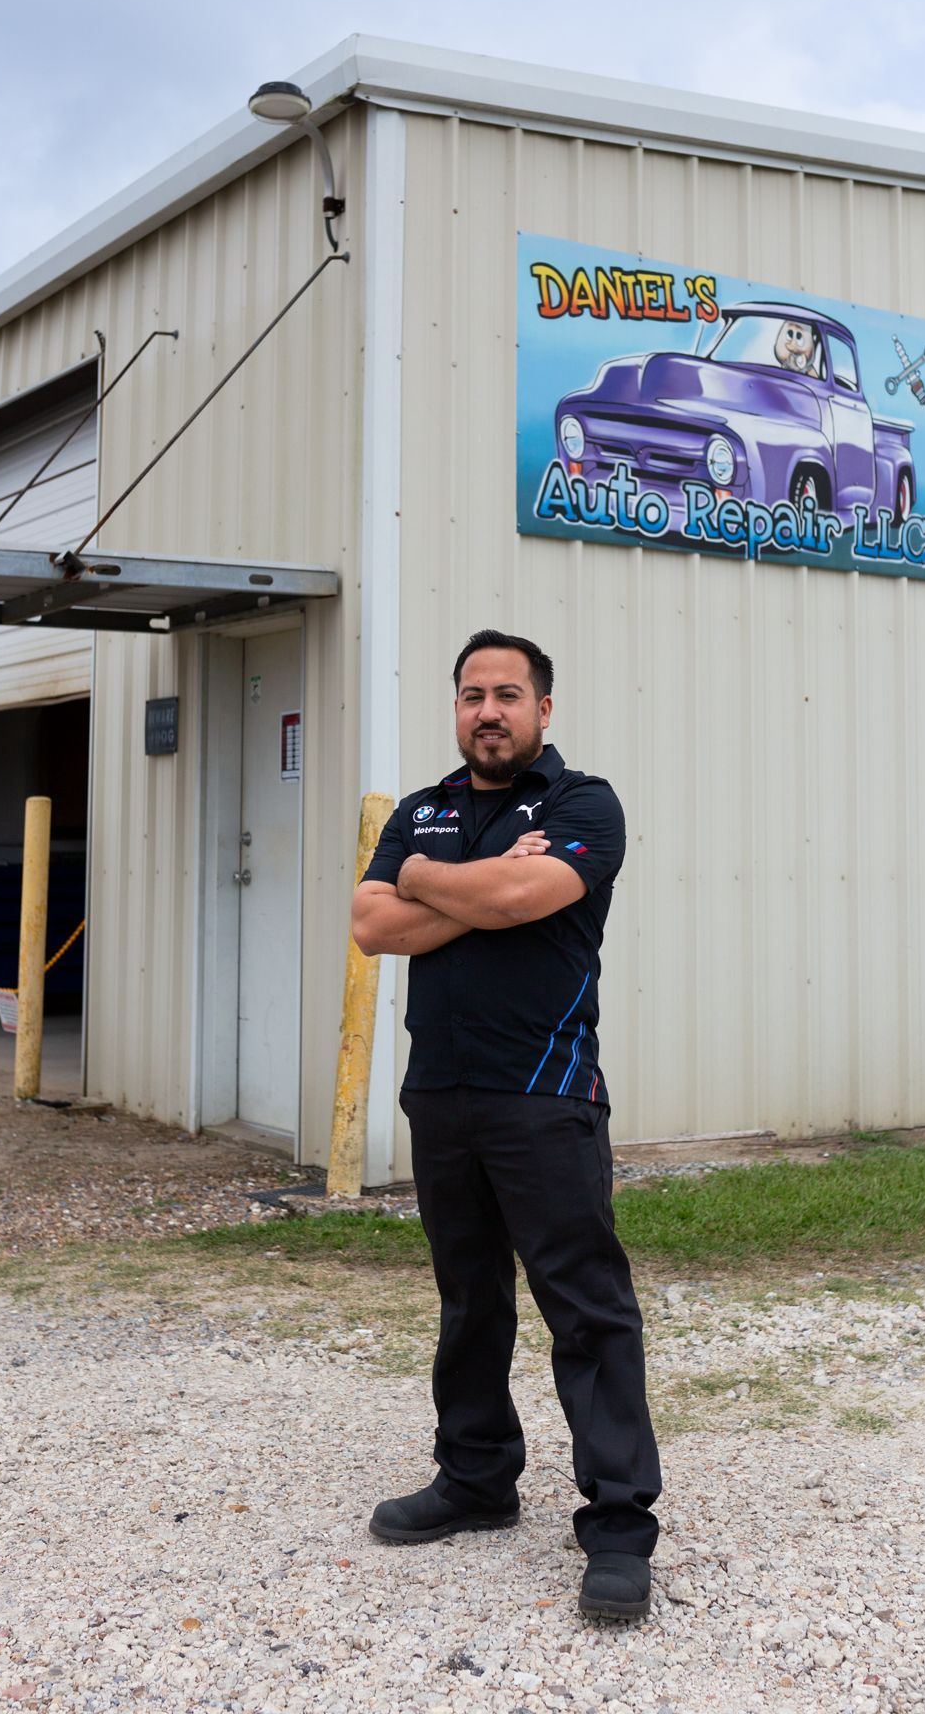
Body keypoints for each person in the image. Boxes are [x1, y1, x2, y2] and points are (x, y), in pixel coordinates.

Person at [350, 629, 661, 1621]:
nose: (490, 709)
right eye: (473, 693)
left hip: (544, 1093)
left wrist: (431, 881)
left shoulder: (582, 805)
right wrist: (476, 886)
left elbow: (533, 891)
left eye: (509, 693)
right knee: (468, 1296)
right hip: (441, 1091)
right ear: (456, 707)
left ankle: (617, 1526)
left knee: (586, 1307)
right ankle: (477, 1475)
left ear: (543, 709)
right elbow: (370, 924)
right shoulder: (422, 808)